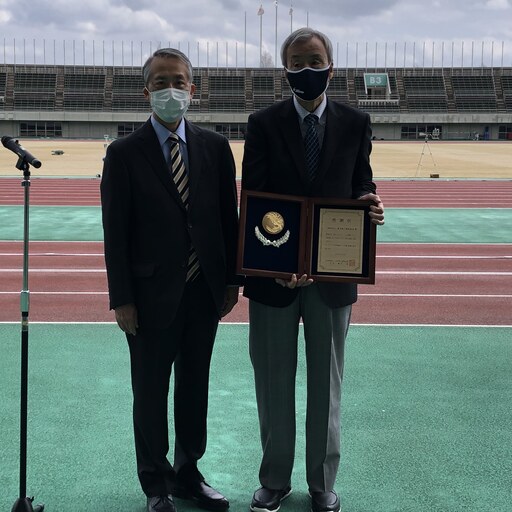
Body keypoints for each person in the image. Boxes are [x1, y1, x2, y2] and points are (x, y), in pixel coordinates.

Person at [241, 28, 385, 512]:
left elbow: (360, 182)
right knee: (273, 381)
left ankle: (323, 484)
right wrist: (274, 262)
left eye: (314, 60)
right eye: (297, 62)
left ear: (331, 64)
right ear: (285, 70)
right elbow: (254, 198)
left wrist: (371, 205)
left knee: (327, 384)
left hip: (333, 277)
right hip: (273, 277)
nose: (307, 69)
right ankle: (274, 480)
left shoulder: (356, 121)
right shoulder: (261, 122)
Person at [100, 48, 240, 512]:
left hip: (204, 293)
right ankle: (155, 483)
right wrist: (122, 298)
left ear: (193, 89)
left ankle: (187, 474)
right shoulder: (122, 154)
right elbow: (115, 232)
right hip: (148, 296)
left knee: (194, 387)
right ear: (146, 92)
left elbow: (228, 219)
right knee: (150, 391)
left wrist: (230, 282)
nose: (170, 90)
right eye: (160, 82)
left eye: (178, 81)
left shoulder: (216, 149)